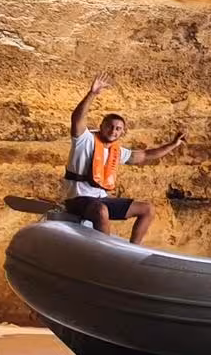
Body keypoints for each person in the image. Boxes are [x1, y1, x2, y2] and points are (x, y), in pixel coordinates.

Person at [62, 75, 185, 243]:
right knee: (101, 210)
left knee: (147, 209)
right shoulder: (85, 140)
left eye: (118, 129)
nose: (113, 131)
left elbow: (147, 155)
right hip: (77, 199)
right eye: (110, 126)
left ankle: (133, 250)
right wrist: (92, 94)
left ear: (122, 132)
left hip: (100, 200)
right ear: (102, 126)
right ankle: (104, 252)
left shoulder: (117, 151)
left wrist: (173, 144)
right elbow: (76, 119)